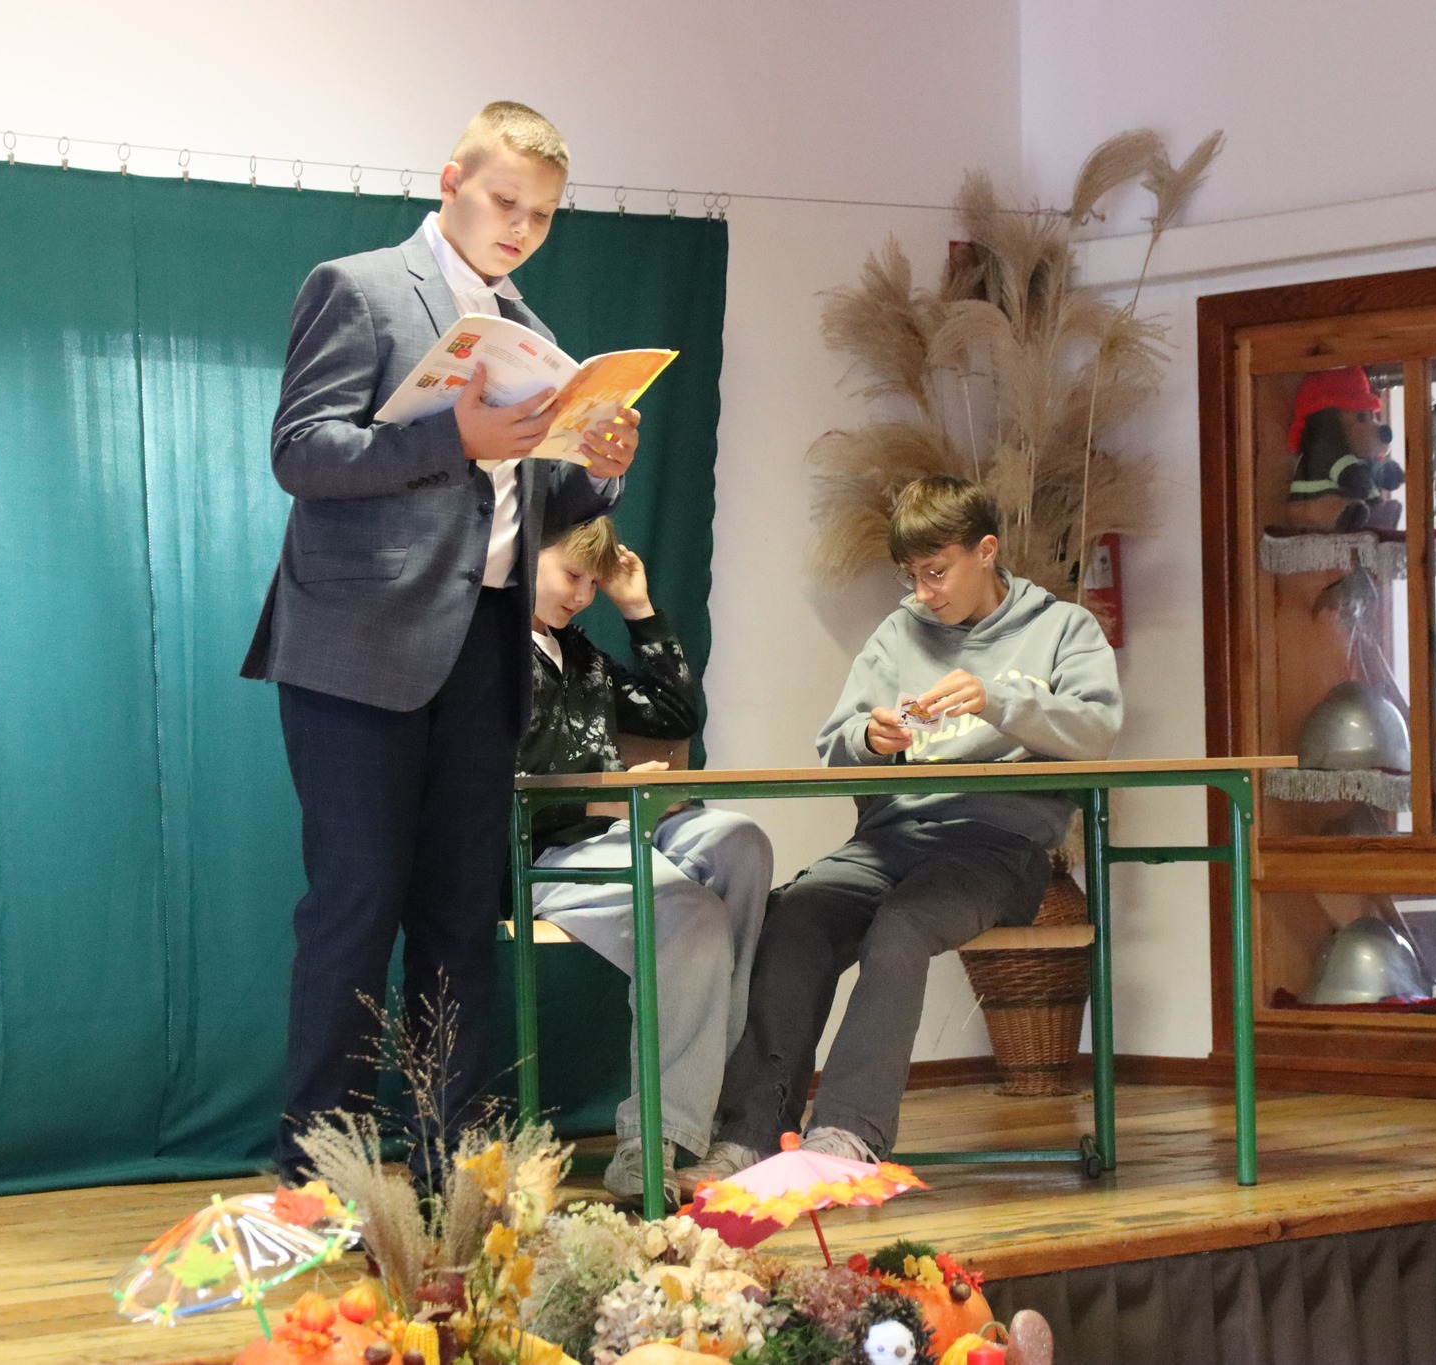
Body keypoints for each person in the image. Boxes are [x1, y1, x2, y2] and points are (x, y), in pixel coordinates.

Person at [241, 101, 641, 1179]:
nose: (520, 228)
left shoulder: (531, 329)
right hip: (358, 646)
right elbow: (302, 452)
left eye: (542, 216)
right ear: (452, 180)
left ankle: (446, 1169)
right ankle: (318, 1174)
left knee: (463, 919)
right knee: (355, 907)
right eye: (505, 201)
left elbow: (542, 501)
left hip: (485, 648)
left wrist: (599, 462)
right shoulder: (359, 287)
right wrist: (450, 438)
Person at [684, 475, 1122, 1182]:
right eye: (911, 575)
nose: (924, 592)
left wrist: (998, 700)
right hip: (889, 839)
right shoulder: (898, 633)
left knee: (902, 926)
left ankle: (847, 1135)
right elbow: (836, 744)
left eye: (936, 571)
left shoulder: (1063, 629)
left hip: (999, 848)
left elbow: (1097, 731)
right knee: (795, 917)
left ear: (987, 551)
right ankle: (750, 1131)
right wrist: (870, 738)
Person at [520, 516, 772, 1205]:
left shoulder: (582, 656)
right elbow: (502, 776)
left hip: (613, 832)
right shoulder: (488, 651)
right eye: (572, 576)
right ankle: (651, 1144)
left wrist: (638, 609)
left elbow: (674, 714)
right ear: (522, 554)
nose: (582, 597)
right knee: (690, 913)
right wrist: (609, 793)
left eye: (593, 584)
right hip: (538, 849)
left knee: (742, 843)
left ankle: (704, 1110)